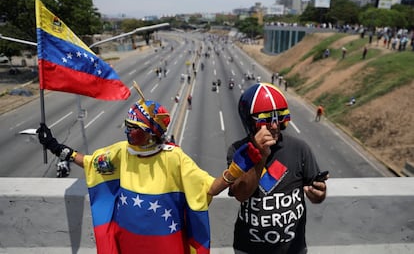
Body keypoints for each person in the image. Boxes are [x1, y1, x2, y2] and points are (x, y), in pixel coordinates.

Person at [37, 82, 264, 254]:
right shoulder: (122, 152)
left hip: (166, 245)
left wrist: (236, 169)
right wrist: (57, 147)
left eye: (134, 128)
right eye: (127, 126)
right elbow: (90, 162)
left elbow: (210, 189)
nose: (128, 132)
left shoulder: (174, 158)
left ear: (153, 132)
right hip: (128, 244)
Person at [226, 83, 328, 254]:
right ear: (250, 122)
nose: (274, 126)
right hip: (248, 248)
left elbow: (317, 194)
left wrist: (319, 193)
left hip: (292, 248)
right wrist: (259, 154)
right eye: (265, 119)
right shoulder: (237, 151)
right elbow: (240, 194)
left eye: (279, 117)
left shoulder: (300, 149)